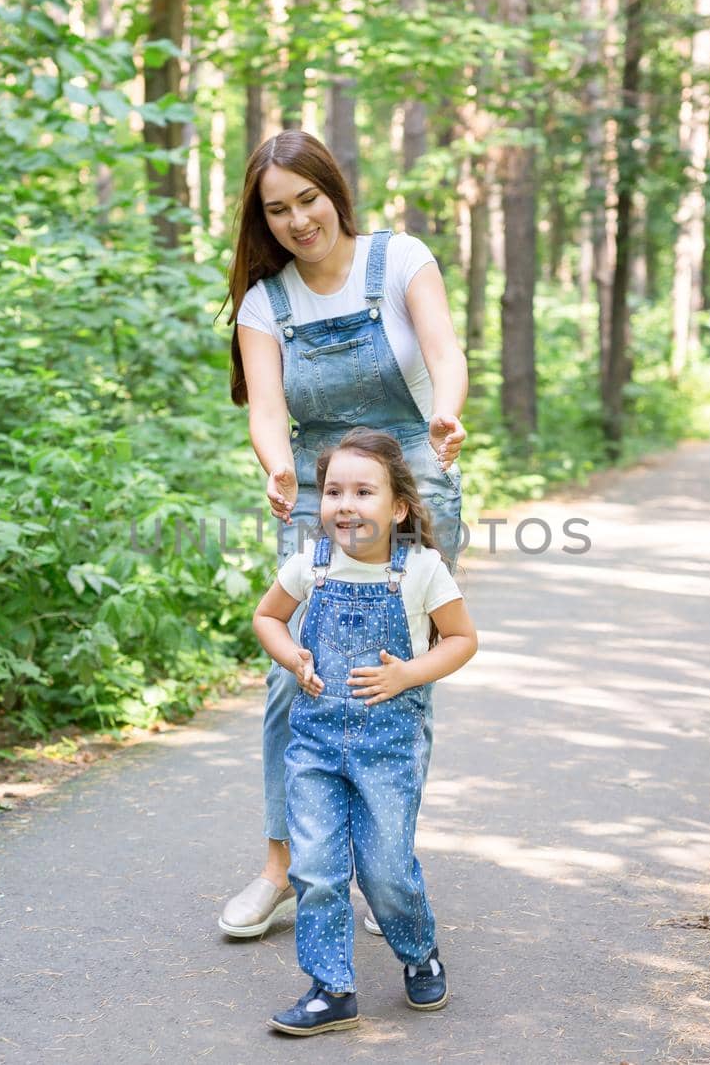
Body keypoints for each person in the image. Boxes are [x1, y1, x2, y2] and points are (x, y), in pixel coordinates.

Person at [220, 129, 468, 939]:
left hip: (408, 483)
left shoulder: (399, 260)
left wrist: (446, 411)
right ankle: (281, 868)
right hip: (316, 493)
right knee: (298, 675)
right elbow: (265, 408)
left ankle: (380, 862)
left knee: (397, 673)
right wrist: (273, 466)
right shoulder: (268, 302)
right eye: (277, 209)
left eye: (308, 199)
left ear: (336, 190)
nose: (297, 220)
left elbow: (443, 350)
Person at [252, 429, 477, 1035]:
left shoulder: (422, 570)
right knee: (317, 869)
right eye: (332, 492)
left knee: (386, 871)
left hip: (387, 750)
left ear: (398, 507)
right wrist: (293, 657)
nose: (344, 504)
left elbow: (461, 640)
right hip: (315, 746)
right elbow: (267, 617)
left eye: (362, 491)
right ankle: (332, 988)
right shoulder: (310, 563)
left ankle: (418, 951)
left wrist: (409, 674)